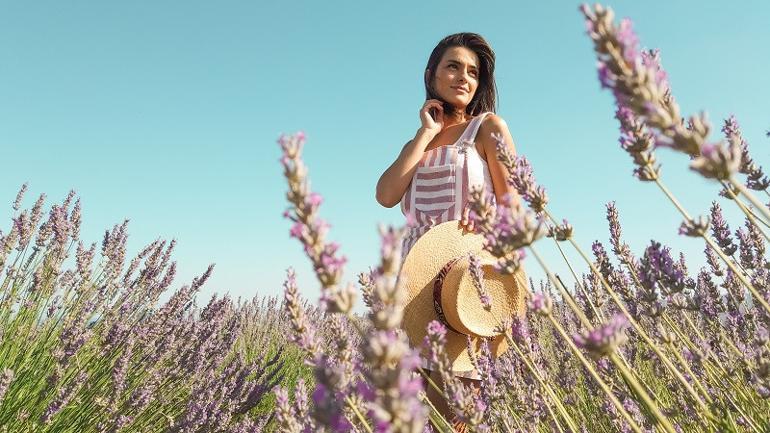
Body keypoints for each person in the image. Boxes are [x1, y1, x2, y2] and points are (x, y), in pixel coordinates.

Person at [375, 32, 523, 429]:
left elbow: (513, 209)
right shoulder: (417, 142)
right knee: (407, 408)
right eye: (453, 66)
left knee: (458, 409)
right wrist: (424, 133)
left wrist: (500, 283)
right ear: (431, 75)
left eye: (473, 72)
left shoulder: (487, 127)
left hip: (465, 280)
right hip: (414, 281)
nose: (464, 77)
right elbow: (386, 195)